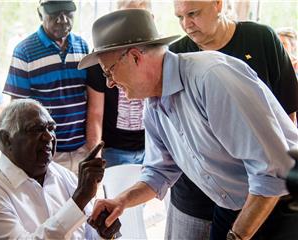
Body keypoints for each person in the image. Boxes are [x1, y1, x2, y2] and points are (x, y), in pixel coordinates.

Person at [78, 9, 298, 240]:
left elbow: (272, 171)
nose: (110, 83)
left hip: (278, 205)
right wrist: (120, 201)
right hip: (231, 206)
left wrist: (236, 237)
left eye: (109, 72)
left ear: (135, 57)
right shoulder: (153, 105)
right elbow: (159, 172)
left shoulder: (211, 77)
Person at [166, 1, 298, 238]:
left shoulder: (261, 39)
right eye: (180, 17)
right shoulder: (175, 55)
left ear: (218, 4)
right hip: (193, 197)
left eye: (193, 14)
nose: (187, 24)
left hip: (256, 196)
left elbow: (286, 114)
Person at [0, 99, 119, 239]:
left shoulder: (62, 175)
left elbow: (87, 234)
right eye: (37, 129)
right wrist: (78, 200)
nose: (49, 137)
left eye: (51, 128)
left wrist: (102, 231)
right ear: (7, 139)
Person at [3, 0, 90, 174]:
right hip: (46, 151)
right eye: (55, 13)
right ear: (40, 13)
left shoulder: (82, 46)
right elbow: (17, 109)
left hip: (81, 149)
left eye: (68, 13)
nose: (62, 19)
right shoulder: (24, 51)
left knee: (83, 199)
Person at [86, 0, 151, 167]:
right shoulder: (101, 59)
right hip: (114, 149)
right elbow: (95, 113)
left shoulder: (155, 55)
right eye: (126, 20)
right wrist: (96, 155)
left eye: (137, 19)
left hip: (151, 146)